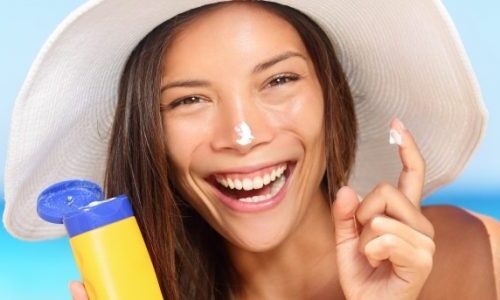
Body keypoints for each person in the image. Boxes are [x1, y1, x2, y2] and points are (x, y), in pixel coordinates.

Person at [2, 1, 498, 299]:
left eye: (279, 80)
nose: (242, 134)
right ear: (149, 134)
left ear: (332, 95)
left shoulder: (471, 256)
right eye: (189, 100)